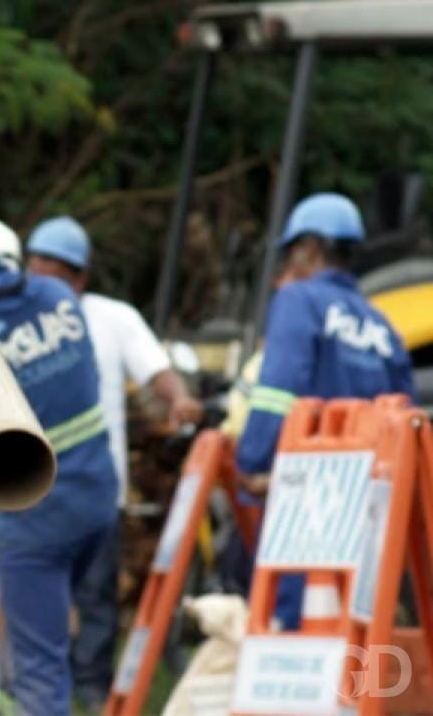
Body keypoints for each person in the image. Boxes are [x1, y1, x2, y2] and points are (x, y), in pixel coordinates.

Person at [0, 197, 117, 716]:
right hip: (99, 501)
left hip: (37, 520)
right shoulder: (58, 294)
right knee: (27, 649)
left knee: (39, 669)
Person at [24, 215, 202, 706]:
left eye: (55, 272)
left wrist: (179, 399)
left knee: (97, 599)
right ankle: (40, 690)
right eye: (35, 268)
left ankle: (93, 690)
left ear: (80, 279)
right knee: (37, 603)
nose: (42, 280)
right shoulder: (15, 317)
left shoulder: (111, 318)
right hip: (30, 492)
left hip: (98, 489)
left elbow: (155, 368)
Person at [235, 192, 413, 627]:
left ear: (309, 248)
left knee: (295, 620)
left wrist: (253, 457)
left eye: (293, 252)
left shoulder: (300, 301)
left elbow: (279, 387)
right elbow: (404, 414)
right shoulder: (381, 325)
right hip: (370, 502)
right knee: (348, 620)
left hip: (310, 496)